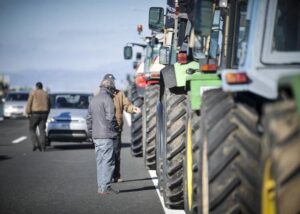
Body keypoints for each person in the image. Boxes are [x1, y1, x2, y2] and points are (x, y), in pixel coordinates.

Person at [102, 73, 141, 183]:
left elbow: (126, 105)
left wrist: (133, 109)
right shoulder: (100, 95)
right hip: (103, 130)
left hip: (116, 129)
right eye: (108, 81)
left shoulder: (120, 94)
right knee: (105, 154)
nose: (110, 83)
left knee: (116, 153)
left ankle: (116, 175)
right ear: (103, 82)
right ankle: (105, 176)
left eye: (112, 81)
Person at [86, 77, 120, 195]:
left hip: (96, 136)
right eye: (113, 88)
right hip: (106, 135)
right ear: (110, 88)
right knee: (109, 162)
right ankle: (106, 187)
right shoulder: (107, 99)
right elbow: (111, 118)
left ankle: (101, 187)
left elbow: (89, 118)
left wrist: (91, 133)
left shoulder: (94, 99)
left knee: (100, 162)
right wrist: (116, 130)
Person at [26, 82, 50, 152]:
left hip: (35, 113)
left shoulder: (33, 93)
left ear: (36, 87)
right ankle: (43, 147)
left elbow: (29, 103)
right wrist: (47, 112)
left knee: (32, 128)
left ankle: (36, 144)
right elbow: (49, 104)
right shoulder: (46, 93)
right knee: (42, 130)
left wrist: (28, 112)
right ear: (42, 87)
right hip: (44, 113)